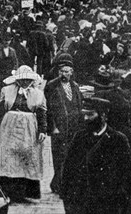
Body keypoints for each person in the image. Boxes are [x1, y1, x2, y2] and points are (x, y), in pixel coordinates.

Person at [62, 96, 131, 214]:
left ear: (104, 116)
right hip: (81, 201)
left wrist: (121, 200)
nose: (86, 118)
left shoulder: (118, 140)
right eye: (84, 114)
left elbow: (127, 174)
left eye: (90, 114)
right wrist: (67, 197)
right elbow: (68, 169)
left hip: (107, 203)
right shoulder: (79, 137)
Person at [0, 65, 47, 204]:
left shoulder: (38, 94)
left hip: (29, 127)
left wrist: (42, 130)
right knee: (8, 156)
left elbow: (42, 113)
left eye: (28, 80)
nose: (25, 82)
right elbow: (1, 111)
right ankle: (5, 190)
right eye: (22, 80)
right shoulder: (7, 91)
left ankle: (23, 192)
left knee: (26, 155)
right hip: (9, 126)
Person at [45, 60, 83, 195]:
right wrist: (52, 127)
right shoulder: (51, 86)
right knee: (59, 156)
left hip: (73, 127)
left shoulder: (75, 86)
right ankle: (58, 184)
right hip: (58, 127)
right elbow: (47, 109)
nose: (64, 74)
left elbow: (79, 105)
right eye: (61, 71)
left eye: (67, 72)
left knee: (70, 155)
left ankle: (60, 183)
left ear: (71, 73)